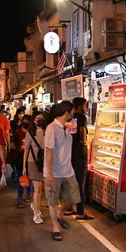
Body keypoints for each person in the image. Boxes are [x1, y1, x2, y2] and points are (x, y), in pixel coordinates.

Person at [44, 101, 82, 241]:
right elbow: (49, 151)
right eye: (72, 112)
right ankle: (55, 227)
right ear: (66, 113)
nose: (73, 114)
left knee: (73, 199)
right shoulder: (51, 128)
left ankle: (60, 213)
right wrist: (49, 173)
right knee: (52, 201)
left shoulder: (68, 127)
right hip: (54, 172)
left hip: (68, 171)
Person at [65, 97, 95, 220]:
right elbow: (82, 131)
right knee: (80, 183)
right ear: (80, 106)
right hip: (79, 153)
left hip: (71, 153)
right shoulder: (82, 118)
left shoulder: (71, 118)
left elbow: (72, 134)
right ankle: (80, 212)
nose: (86, 107)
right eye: (85, 105)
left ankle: (73, 208)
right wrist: (84, 142)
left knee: (72, 182)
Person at [24, 111, 46, 224]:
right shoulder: (30, 133)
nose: (40, 120)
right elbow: (26, 150)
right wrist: (24, 167)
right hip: (33, 162)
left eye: (42, 118)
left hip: (45, 163)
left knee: (41, 188)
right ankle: (36, 214)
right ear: (34, 120)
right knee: (37, 188)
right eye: (38, 119)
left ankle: (35, 206)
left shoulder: (47, 132)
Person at [10, 114, 32, 208]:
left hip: (31, 159)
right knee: (20, 178)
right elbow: (14, 143)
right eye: (24, 122)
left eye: (27, 122)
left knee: (30, 177)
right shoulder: (18, 132)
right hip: (19, 158)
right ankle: (20, 198)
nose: (25, 124)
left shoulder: (32, 132)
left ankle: (29, 194)